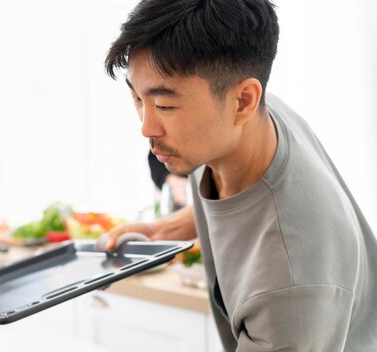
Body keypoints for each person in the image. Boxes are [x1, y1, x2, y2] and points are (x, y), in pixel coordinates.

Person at [103, 0, 377, 350]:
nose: (146, 127)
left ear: (243, 101)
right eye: (137, 98)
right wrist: (168, 228)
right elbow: (248, 198)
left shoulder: (289, 283)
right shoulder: (244, 121)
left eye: (165, 106)